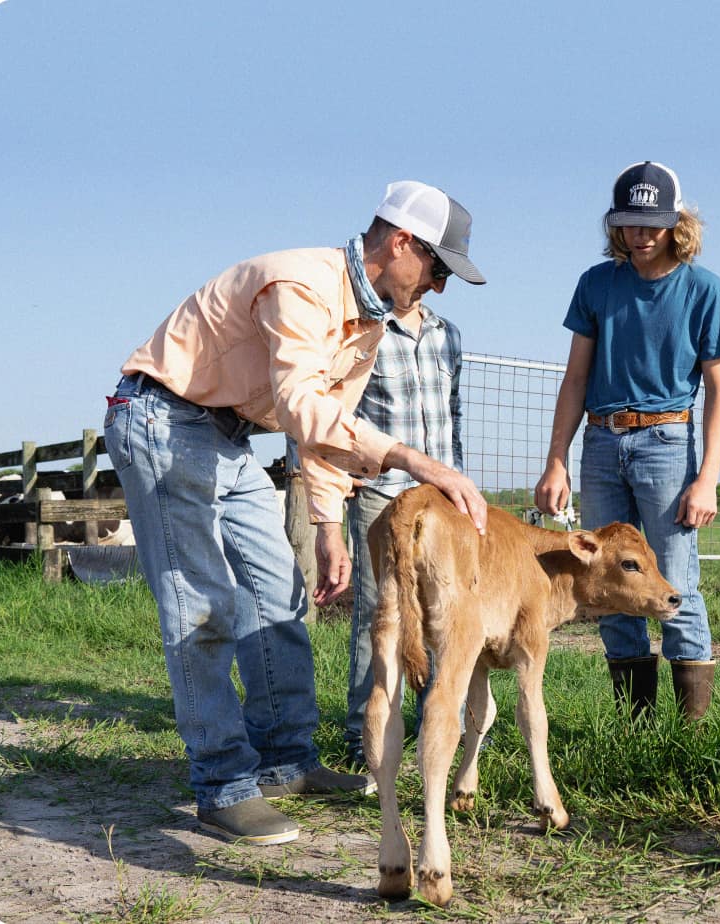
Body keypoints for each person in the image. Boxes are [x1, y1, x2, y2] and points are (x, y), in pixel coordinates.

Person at [103, 180, 487, 845]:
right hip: (162, 419)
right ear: (400, 243)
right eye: (437, 267)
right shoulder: (302, 284)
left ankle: (283, 761)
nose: (439, 287)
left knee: (277, 590)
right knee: (203, 604)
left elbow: (322, 431)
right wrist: (415, 460)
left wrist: (328, 527)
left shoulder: (366, 324)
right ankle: (222, 785)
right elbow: (304, 404)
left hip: (225, 436)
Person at [534, 161, 720, 722]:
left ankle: (692, 732)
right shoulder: (596, 285)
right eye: (629, 223)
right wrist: (557, 461)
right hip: (601, 443)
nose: (641, 235)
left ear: (677, 222)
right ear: (614, 225)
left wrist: (708, 479)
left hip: (667, 443)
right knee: (609, 582)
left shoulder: (704, 291)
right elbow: (576, 377)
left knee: (675, 583)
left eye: (652, 223)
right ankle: (637, 727)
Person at [342, 280, 464, 771]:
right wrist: (339, 471)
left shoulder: (447, 334)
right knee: (380, 611)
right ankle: (363, 733)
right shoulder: (361, 331)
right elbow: (332, 406)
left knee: (442, 610)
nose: (431, 282)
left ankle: (439, 724)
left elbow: (454, 414)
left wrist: (459, 484)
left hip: (438, 502)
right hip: (381, 493)